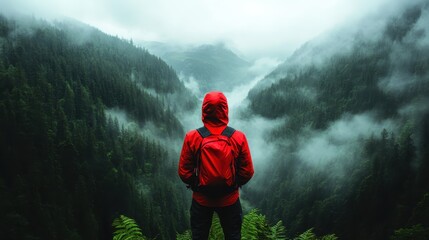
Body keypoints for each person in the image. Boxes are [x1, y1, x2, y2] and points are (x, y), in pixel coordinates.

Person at [178, 91, 254, 240]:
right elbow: (248, 171)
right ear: (225, 109)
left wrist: (196, 184)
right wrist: (234, 183)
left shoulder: (192, 137)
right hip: (230, 199)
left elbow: (184, 171)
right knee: (233, 236)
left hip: (201, 199)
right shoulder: (238, 137)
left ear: (204, 109)